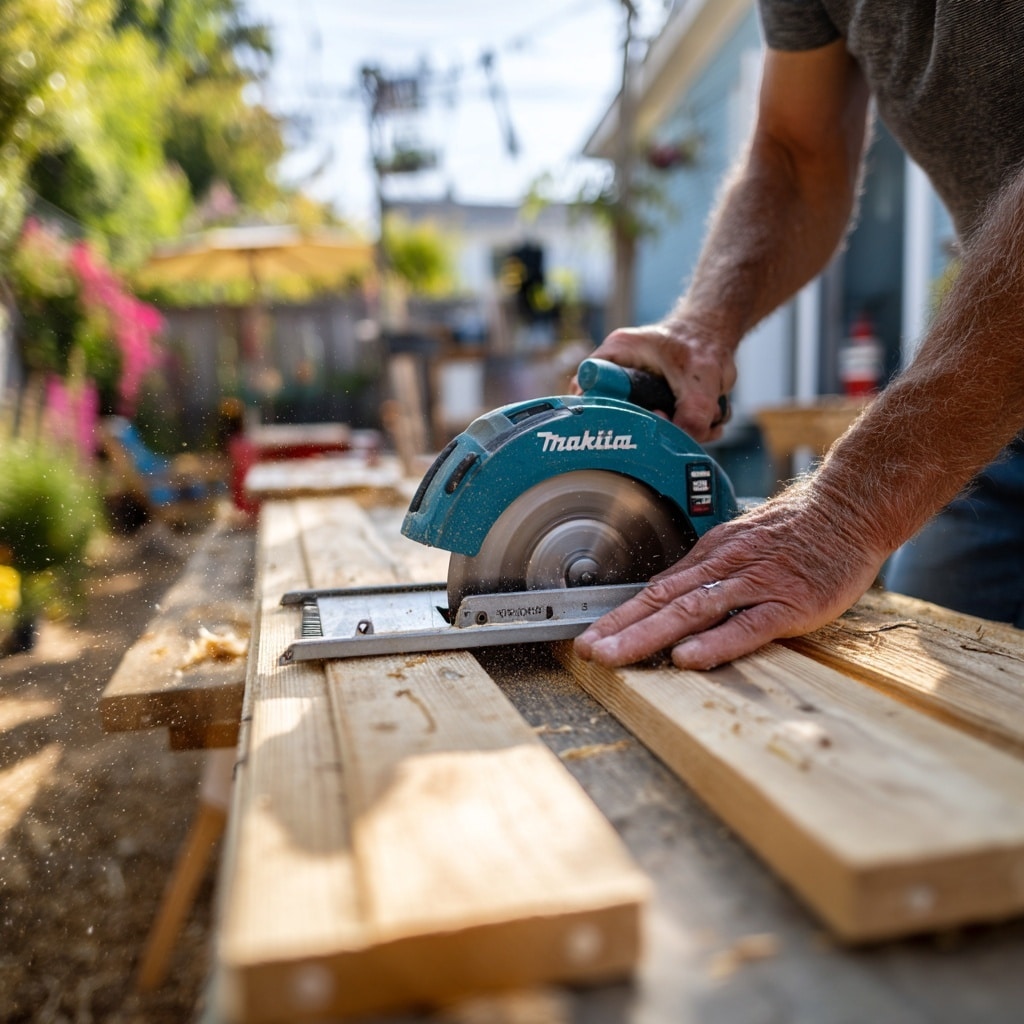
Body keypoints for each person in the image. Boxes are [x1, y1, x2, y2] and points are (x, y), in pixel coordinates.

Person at [574, 2, 1024, 671]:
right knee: (927, 691)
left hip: (986, 376)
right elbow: (795, 156)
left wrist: (848, 505)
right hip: (995, 399)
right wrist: (700, 332)